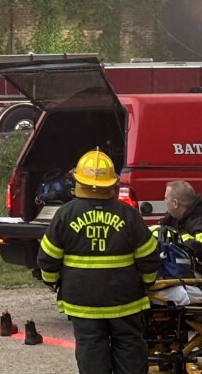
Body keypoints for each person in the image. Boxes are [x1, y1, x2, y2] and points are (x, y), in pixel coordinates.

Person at [37, 148, 160, 374]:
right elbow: (149, 254)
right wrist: (147, 282)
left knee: (91, 347)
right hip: (125, 299)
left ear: (78, 181)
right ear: (112, 183)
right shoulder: (129, 214)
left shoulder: (65, 214)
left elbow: (48, 256)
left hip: (82, 301)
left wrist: (51, 281)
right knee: (129, 345)